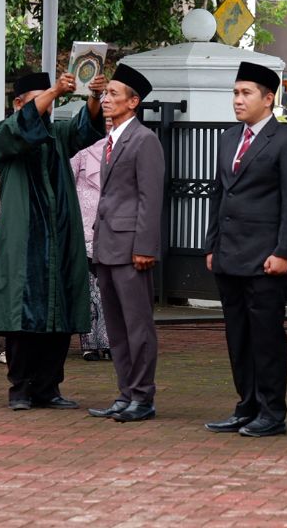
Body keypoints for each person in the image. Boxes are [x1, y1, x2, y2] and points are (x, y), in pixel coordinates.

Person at [0, 70, 106, 410]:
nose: (46, 106)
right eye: (38, 100)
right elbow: (22, 127)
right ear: (18, 104)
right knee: (22, 319)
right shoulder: (3, 133)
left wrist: (93, 96)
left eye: (49, 100)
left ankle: (49, 388)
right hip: (24, 242)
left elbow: (85, 130)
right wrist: (54, 90)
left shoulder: (57, 135)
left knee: (60, 315)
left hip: (62, 238)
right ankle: (21, 389)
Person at [203, 61, 287, 437]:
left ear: (268, 99)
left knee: (266, 337)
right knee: (237, 336)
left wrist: (284, 252)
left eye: (246, 93)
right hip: (229, 255)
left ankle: (271, 411)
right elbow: (219, 193)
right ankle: (246, 405)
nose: (238, 99)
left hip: (266, 258)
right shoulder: (229, 138)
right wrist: (212, 244)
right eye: (235, 92)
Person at [88, 65, 164, 423]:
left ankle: (143, 396)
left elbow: (151, 197)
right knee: (116, 328)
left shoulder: (144, 140)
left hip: (132, 248)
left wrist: (145, 247)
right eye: (106, 94)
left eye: (114, 94)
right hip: (107, 245)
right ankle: (125, 393)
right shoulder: (111, 139)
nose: (106, 99)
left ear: (133, 102)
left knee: (138, 325)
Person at [71, 118, 112, 362]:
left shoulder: (121, 148)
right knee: (88, 288)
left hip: (109, 226)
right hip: (84, 225)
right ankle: (88, 343)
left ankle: (108, 341)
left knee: (107, 286)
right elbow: (67, 180)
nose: (108, 123)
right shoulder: (80, 150)